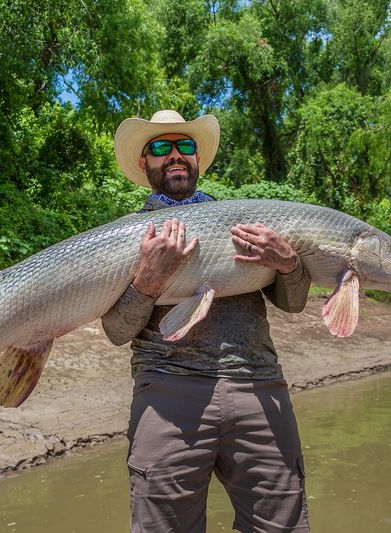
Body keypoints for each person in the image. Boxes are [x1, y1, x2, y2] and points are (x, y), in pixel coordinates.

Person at [103, 110, 312, 533]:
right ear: (145, 164)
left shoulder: (247, 221)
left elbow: (294, 303)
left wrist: (290, 265)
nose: (176, 155)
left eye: (186, 146)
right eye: (161, 147)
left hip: (259, 387)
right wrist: (147, 281)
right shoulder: (126, 236)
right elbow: (117, 331)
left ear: (197, 158)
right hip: (168, 395)